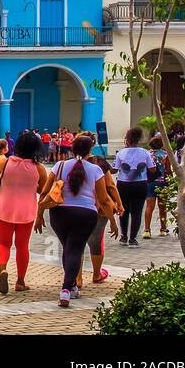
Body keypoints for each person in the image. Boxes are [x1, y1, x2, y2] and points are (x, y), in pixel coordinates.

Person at [38, 133, 114, 308]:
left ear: (72, 148)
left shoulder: (60, 165)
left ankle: (71, 286)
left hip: (59, 214)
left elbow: (44, 193)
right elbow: (103, 200)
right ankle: (66, 289)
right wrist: (113, 221)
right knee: (74, 249)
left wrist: (39, 214)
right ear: (90, 149)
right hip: (85, 215)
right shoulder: (95, 170)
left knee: (69, 249)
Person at [0, 129, 47, 294]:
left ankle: (2, 270)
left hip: (5, 208)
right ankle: (20, 281)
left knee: (2, 243)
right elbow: (43, 191)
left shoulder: (4, 163)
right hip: (27, 210)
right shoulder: (39, 168)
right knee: (22, 246)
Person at [80, 153, 124, 287]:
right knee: (96, 240)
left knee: (78, 243)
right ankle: (96, 274)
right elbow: (110, 185)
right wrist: (119, 203)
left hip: (80, 205)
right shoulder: (100, 162)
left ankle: (77, 279)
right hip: (100, 208)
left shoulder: (72, 163)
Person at [113, 126, 152, 246]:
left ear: (127, 139)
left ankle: (123, 236)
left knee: (123, 209)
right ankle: (133, 238)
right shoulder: (145, 152)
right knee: (137, 211)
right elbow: (152, 168)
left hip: (123, 184)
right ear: (139, 139)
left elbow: (114, 170)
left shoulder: (121, 152)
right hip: (140, 184)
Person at [142, 135, 170, 238]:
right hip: (162, 182)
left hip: (149, 182)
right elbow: (168, 170)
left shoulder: (147, 154)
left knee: (149, 206)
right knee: (162, 206)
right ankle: (163, 229)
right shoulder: (165, 155)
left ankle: (147, 230)